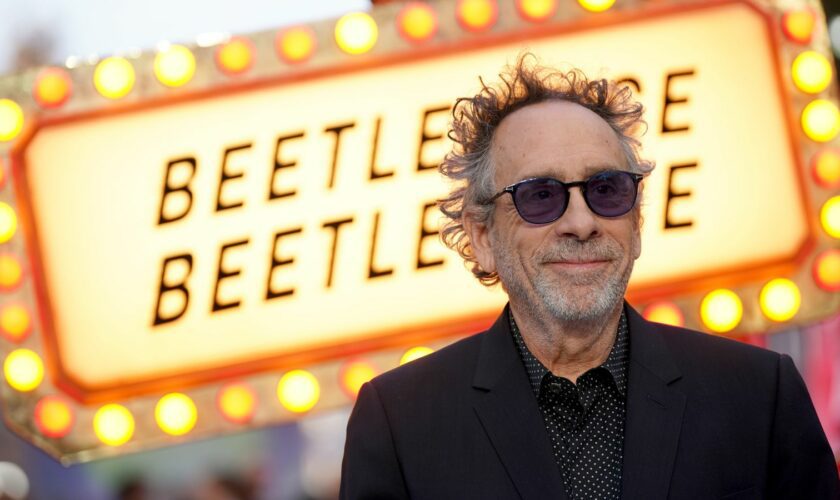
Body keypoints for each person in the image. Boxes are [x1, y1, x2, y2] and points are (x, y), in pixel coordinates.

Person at [339, 55, 839, 499]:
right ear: (482, 236)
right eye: (540, 195)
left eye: (606, 189)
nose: (581, 223)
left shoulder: (757, 394)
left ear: (637, 223)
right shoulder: (399, 421)